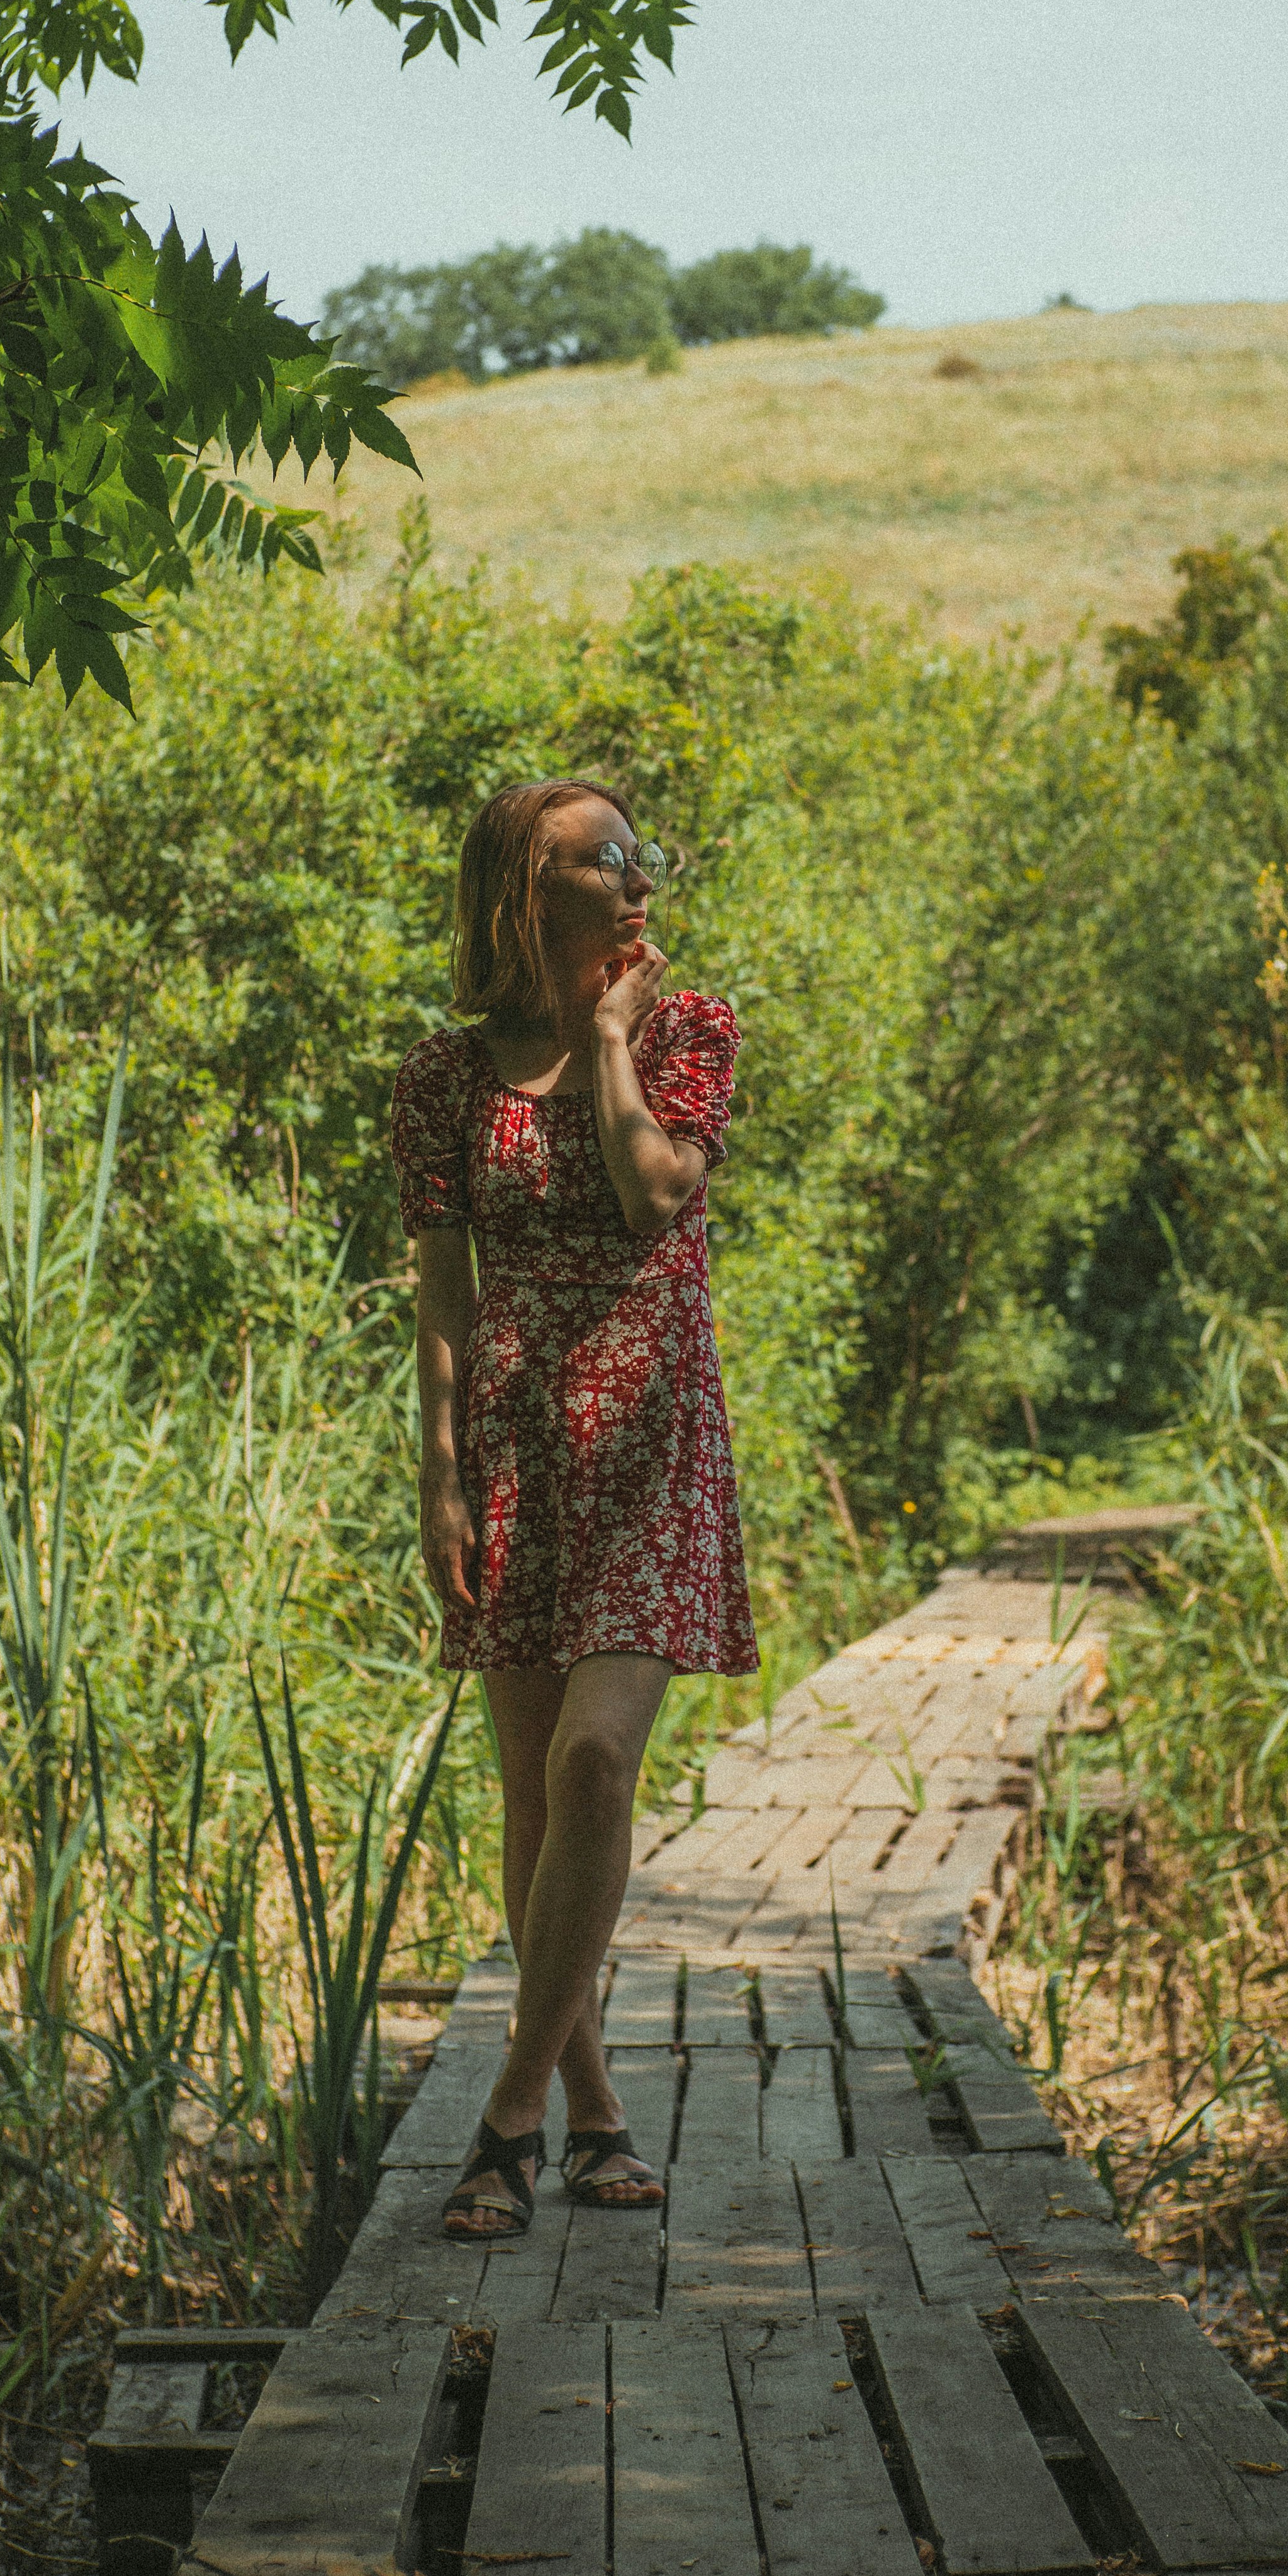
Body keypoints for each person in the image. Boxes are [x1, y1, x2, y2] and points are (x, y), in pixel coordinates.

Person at [391, 776, 756, 2237]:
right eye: (606, 857)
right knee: (535, 1790)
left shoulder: (688, 1028)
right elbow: (441, 1300)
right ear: (525, 892)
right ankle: (598, 2111)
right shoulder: (441, 1076)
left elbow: (657, 1189)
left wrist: (609, 1039)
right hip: (519, 1458)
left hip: (655, 1447)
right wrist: (439, 1476)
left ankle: (509, 2117)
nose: (638, 873)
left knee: (599, 1760)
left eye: (639, 851)